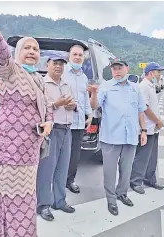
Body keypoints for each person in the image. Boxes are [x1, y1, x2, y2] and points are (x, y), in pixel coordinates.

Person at [0, 13, 53, 236]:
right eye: (27, 48)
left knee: (26, 196)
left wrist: (49, 123)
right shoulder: (10, 70)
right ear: (18, 52)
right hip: (8, 146)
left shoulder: (38, 78)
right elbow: (1, 53)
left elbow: (47, 106)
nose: (31, 52)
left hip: (30, 146)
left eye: (35, 49)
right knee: (9, 195)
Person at [91, 59, 147, 216]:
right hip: (110, 136)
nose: (117, 71)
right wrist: (94, 93)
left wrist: (143, 130)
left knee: (126, 169)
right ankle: (111, 200)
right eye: (114, 68)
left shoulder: (135, 88)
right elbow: (95, 106)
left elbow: (140, 110)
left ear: (127, 68)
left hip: (130, 136)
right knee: (109, 171)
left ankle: (122, 193)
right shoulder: (105, 87)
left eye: (120, 68)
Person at [37, 54, 76, 221]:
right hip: (51, 131)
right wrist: (56, 104)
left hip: (67, 129)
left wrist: (73, 106)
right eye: (55, 63)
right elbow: (39, 107)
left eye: (61, 64)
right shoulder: (42, 84)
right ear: (47, 65)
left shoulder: (66, 85)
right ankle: (43, 205)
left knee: (62, 168)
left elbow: (73, 104)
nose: (58, 67)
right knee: (46, 169)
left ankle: (59, 201)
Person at [130, 62, 164, 194]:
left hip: (153, 127)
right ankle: (135, 181)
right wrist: (157, 121)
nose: (159, 74)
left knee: (152, 156)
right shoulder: (143, 86)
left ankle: (150, 179)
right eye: (158, 72)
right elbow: (144, 107)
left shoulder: (151, 85)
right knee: (142, 156)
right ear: (151, 73)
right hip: (146, 127)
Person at [63, 44, 93, 194]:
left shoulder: (84, 77)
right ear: (69, 56)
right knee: (61, 153)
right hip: (63, 121)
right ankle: (57, 180)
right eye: (74, 54)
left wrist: (90, 115)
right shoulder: (62, 73)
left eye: (80, 55)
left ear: (83, 58)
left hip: (79, 122)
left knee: (75, 154)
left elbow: (85, 99)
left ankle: (70, 180)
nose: (77, 57)